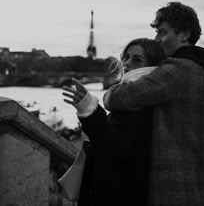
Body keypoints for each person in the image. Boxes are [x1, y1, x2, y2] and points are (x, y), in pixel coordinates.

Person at [104, 2, 204, 205]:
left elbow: (119, 98)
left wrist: (108, 93)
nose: (157, 39)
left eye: (162, 32)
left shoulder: (177, 69)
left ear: (184, 35)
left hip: (175, 190)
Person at [62, 38, 165, 206]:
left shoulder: (139, 103)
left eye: (136, 60)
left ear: (152, 67)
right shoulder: (135, 98)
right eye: (125, 57)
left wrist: (90, 109)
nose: (126, 63)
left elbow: (113, 146)